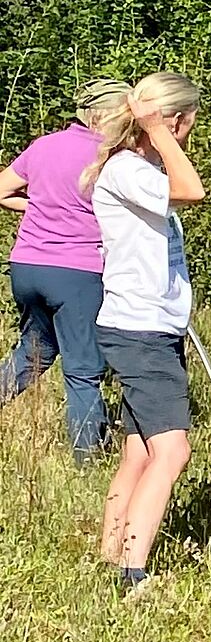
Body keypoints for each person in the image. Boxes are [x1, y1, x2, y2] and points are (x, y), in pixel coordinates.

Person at [87, 73, 207, 595]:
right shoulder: (130, 169)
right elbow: (191, 190)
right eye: (188, 125)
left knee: (140, 450)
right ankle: (131, 572)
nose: (188, 137)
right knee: (173, 451)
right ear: (174, 120)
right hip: (140, 331)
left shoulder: (135, 170)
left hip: (148, 327)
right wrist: (159, 133)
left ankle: (111, 549)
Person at [0, 78, 128, 459]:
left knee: (33, 352)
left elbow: (3, 189)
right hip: (77, 272)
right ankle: (87, 458)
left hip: (27, 266)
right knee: (84, 368)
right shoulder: (112, 155)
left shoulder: (45, 145)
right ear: (109, 115)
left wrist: (37, 206)